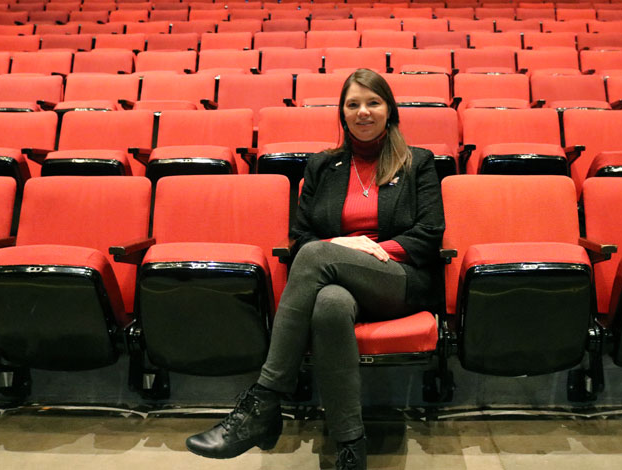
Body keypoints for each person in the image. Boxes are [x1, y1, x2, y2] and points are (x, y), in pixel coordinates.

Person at [185, 68, 445, 470]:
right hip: (335, 280)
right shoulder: (323, 166)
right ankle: (350, 445)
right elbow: (301, 234)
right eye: (353, 104)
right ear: (342, 113)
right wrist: (340, 245)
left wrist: (370, 250)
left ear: (389, 110)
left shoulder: (418, 163)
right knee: (329, 304)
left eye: (373, 102)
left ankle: (265, 401)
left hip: (399, 281)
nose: (363, 112)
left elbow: (429, 234)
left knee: (313, 257)